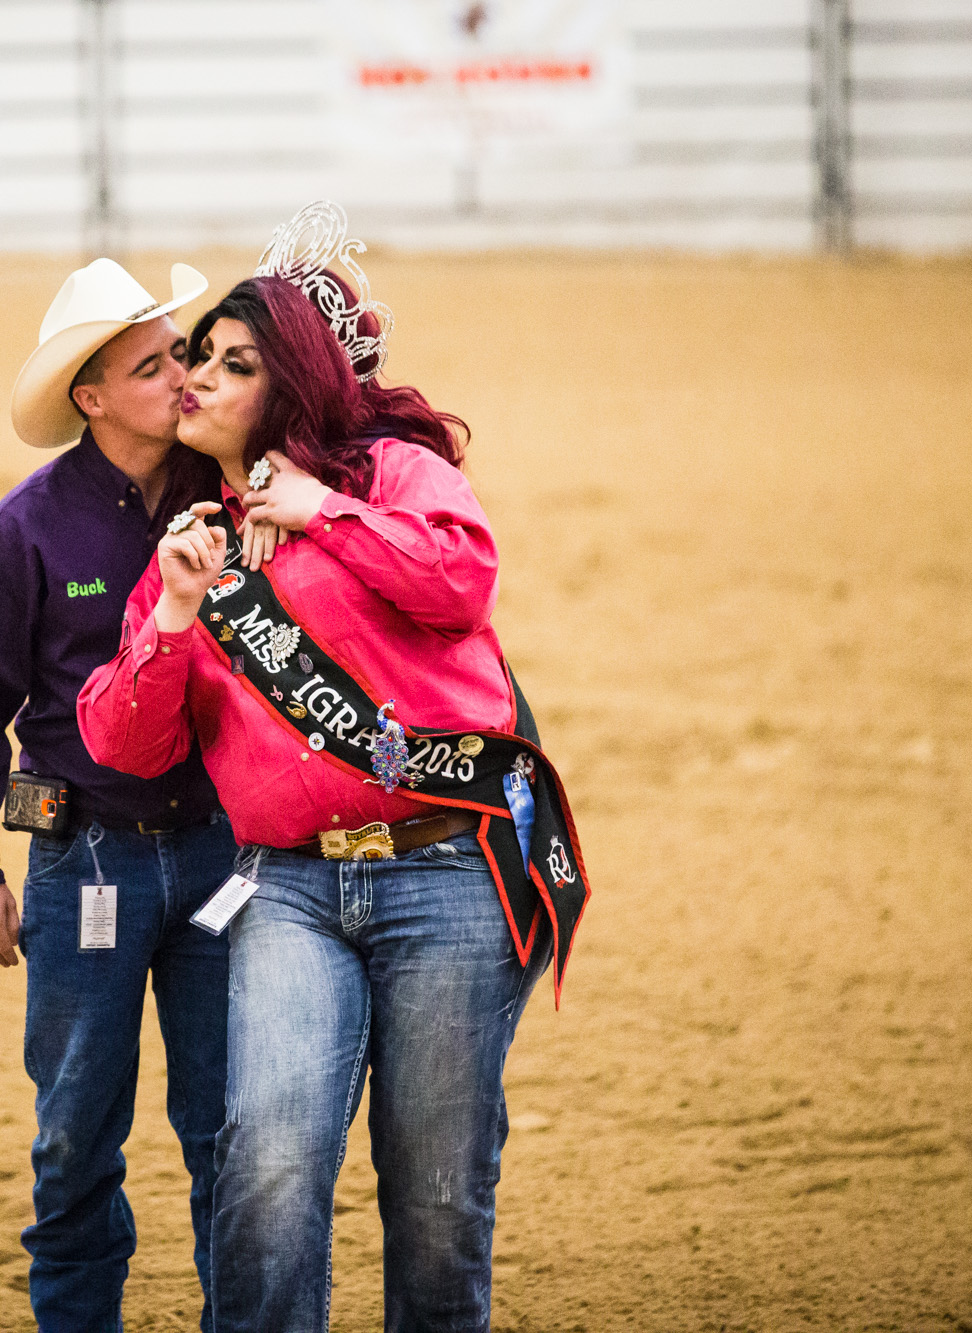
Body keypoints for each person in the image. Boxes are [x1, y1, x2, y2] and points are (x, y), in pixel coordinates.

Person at [77, 203, 591, 1333]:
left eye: (232, 362)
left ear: (293, 381)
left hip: (449, 874)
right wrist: (171, 611)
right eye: (196, 361)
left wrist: (322, 509)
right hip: (289, 888)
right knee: (264, 1157)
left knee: (439, 1194)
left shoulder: (393, 473)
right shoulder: (198, 552)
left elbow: (461, 577)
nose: (196, 381)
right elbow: (123, 742)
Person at [0, 257, 277, 1332]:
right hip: (83, 863)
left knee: (233, 1126)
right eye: (153, 363)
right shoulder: (25, 530)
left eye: (183, 355)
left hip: (222, 852)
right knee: (75, 1129)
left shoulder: (238, 495)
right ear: (91, 396)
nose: (183, 377)